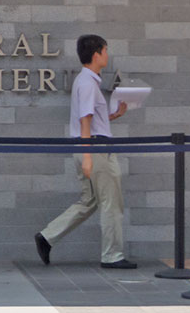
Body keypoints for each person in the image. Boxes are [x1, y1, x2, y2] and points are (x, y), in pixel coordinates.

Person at [34, 35, 134, 269]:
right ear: (96, 54)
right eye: (106, 50)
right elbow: (85, 119)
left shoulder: (85, 81)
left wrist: (113, 116)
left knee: (89, 200)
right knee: (111, 202)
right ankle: (113, 256)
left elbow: (89, 120)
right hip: (96, 149)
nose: (108, 55)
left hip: (87, 146)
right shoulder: (88, 83)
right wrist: (88, 156)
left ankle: (48, 237)